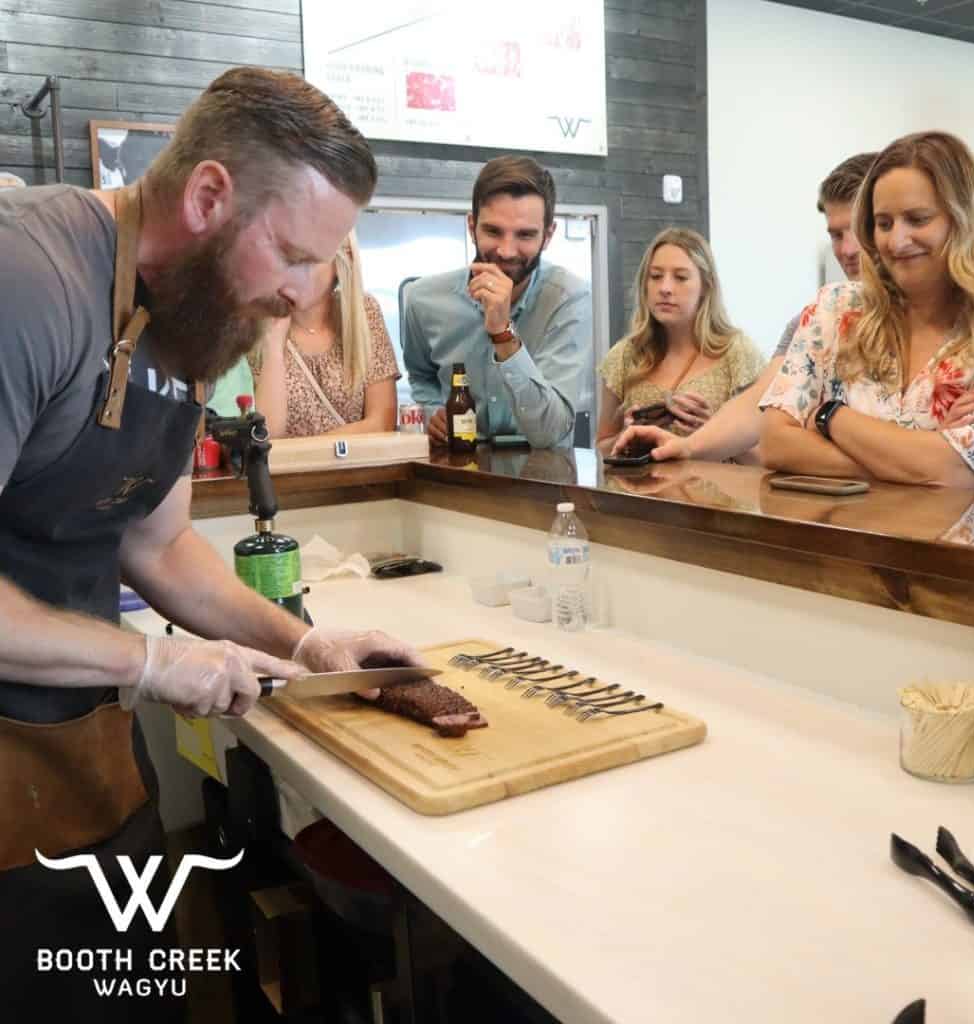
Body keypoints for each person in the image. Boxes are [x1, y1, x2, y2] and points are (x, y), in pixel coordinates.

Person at [0, 67, 422, 1021]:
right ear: (206, 197)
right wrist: (152, 661)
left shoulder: (193, 317)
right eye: (294, 254)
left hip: (78, 744)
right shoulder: (30, 283)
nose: (305, 293)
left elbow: (160, 544)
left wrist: (304, 645)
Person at [760, 131, 974, 493]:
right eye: (884, 223)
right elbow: (775, 443)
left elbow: (956, 473)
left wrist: (829, 417)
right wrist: (918, 455)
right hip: (837, 543)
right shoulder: (834, 309)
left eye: (917, 219)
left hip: (955, 548)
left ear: (964, 221)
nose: (896, 241)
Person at [611, 152, 878, 463]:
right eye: (835, 235)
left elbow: (942, 462)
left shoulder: (737, 351)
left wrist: (828, 421)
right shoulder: (818, 317)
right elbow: (763, 416)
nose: (846, 250)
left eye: (858, 231)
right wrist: (686, 446)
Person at [402, 155, 591, 448]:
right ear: (471, 225)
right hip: (459, 467)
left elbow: (551, 431)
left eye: (525, 235)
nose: (506, 251)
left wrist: (503, 332)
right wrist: (431, 411)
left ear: (548, 235)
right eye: (493, 231)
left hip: (542, 474)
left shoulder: (569, 299)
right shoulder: (422, 299)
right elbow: (421, 374)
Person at [595, 227, 764, 452]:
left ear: (706, 286)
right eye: (655, 276)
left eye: (680, 277)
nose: (665, 288)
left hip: (718, 487)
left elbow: (766, 459)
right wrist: (624, 438)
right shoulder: (624, 356)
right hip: (641, 487)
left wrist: (714, 435)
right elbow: (600, 448)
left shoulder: (738, 354)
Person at [249, 232, 399, 437]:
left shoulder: (365, 313)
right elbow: (266, 438)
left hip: (356, 467)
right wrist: (273, 346)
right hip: (285, 469)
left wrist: (316, 451)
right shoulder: (256, 325)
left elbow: (382, 422)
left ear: (341, 261)